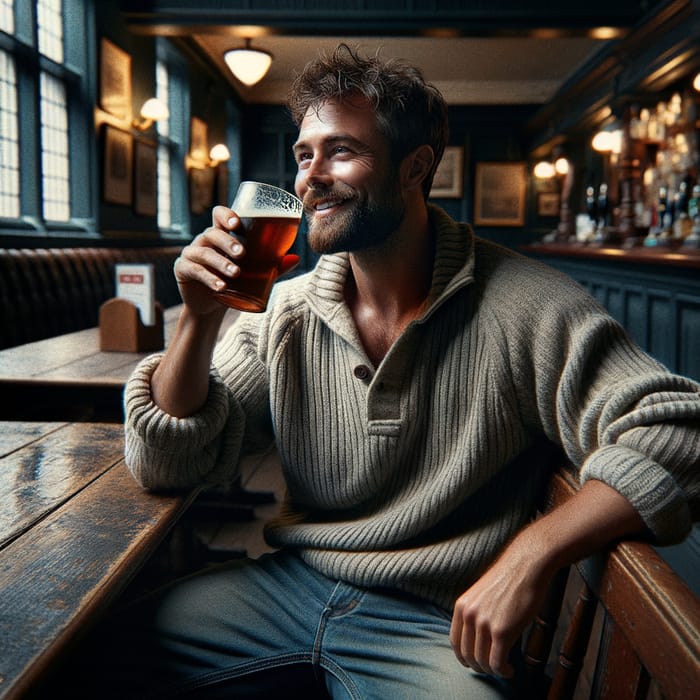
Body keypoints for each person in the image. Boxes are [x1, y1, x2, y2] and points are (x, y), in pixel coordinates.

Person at [80, 44, 699, 699]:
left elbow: (681, 429)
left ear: (415, 167)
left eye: (340, 151)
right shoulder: (287, 308)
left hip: (434, 619)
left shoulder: (531, 306)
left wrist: (534, 549)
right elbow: (166, 463)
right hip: (288, 588)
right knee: (87, 661)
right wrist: (201, 321)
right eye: (303, 154)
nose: (310, 177)